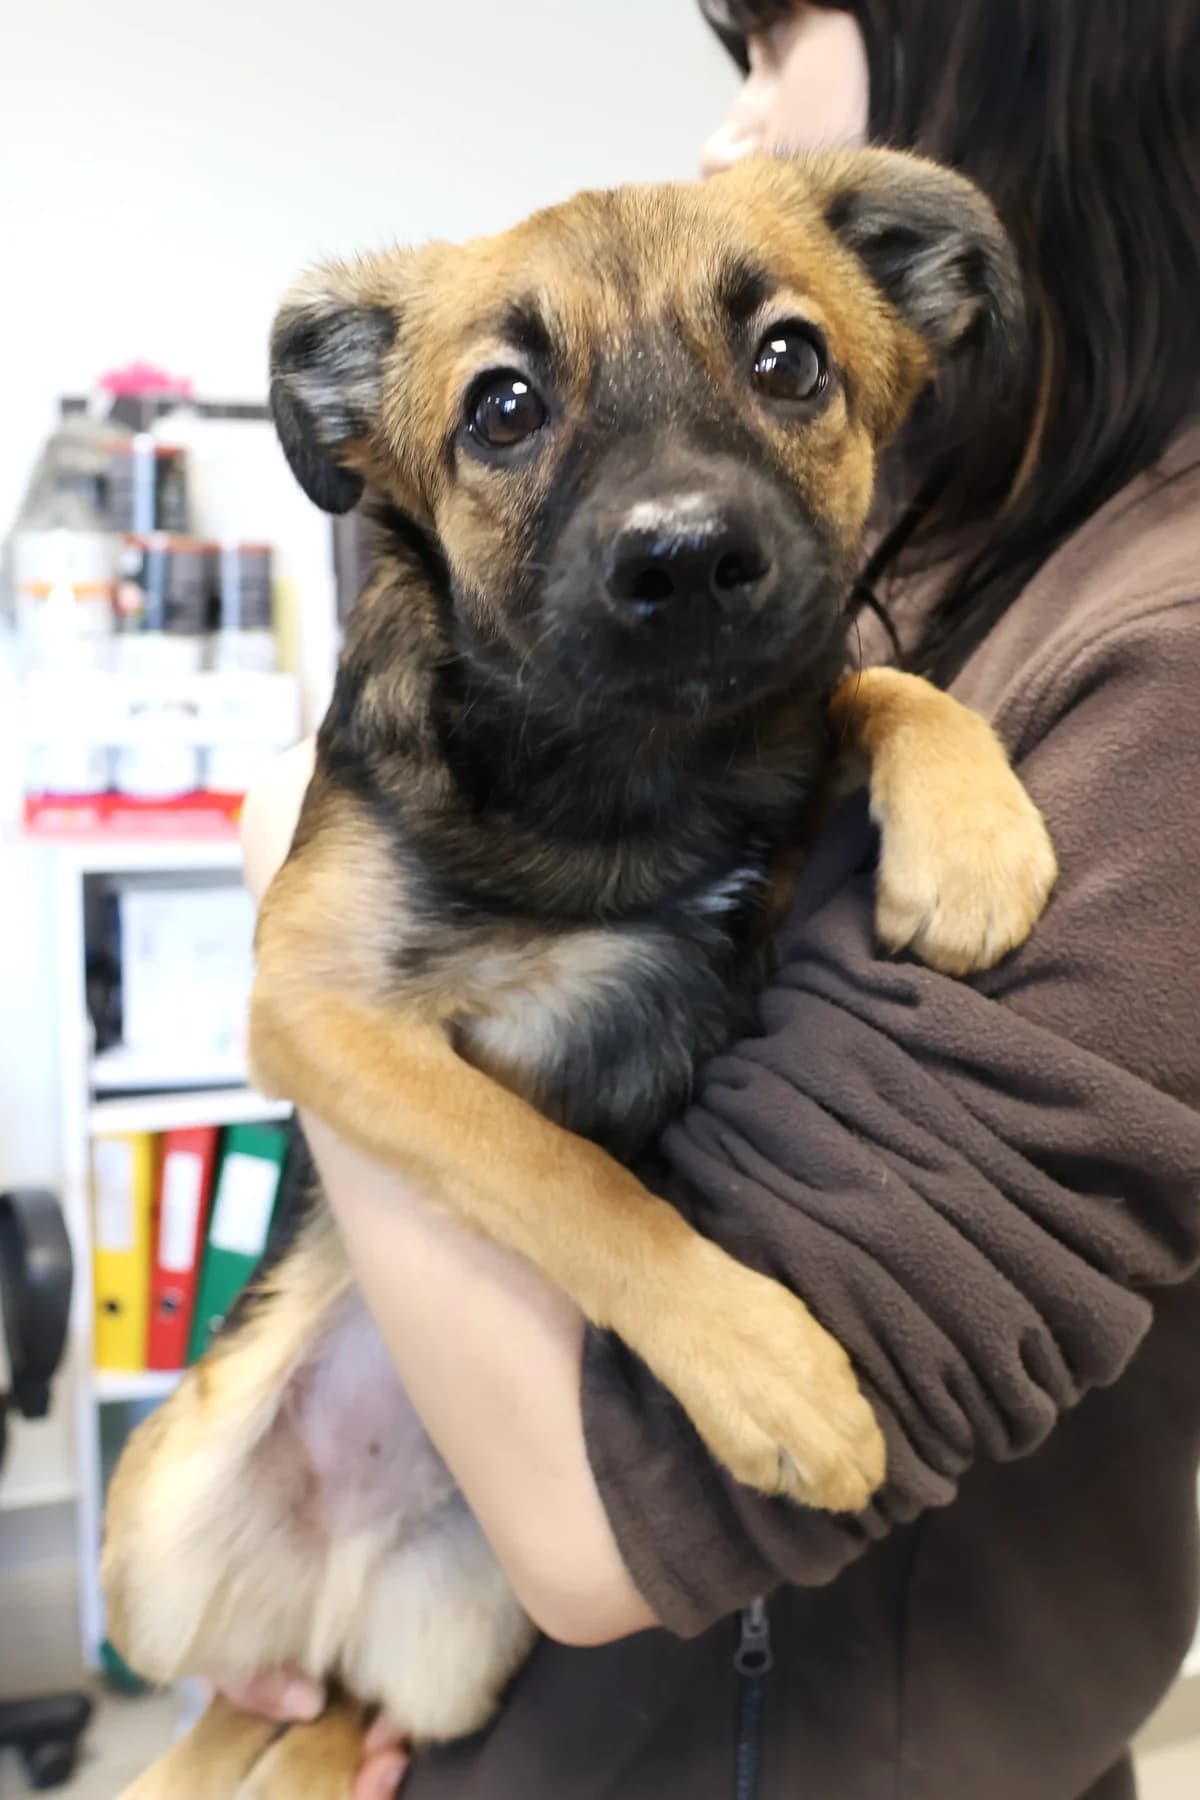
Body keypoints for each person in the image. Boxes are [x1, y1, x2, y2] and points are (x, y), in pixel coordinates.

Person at [226, 3, 1200, 1796]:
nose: (729, 134)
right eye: (511, 410)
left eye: (771, 48)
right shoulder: (958, 530)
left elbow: (615, 1524)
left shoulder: (1155, 665)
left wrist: (282, 883)